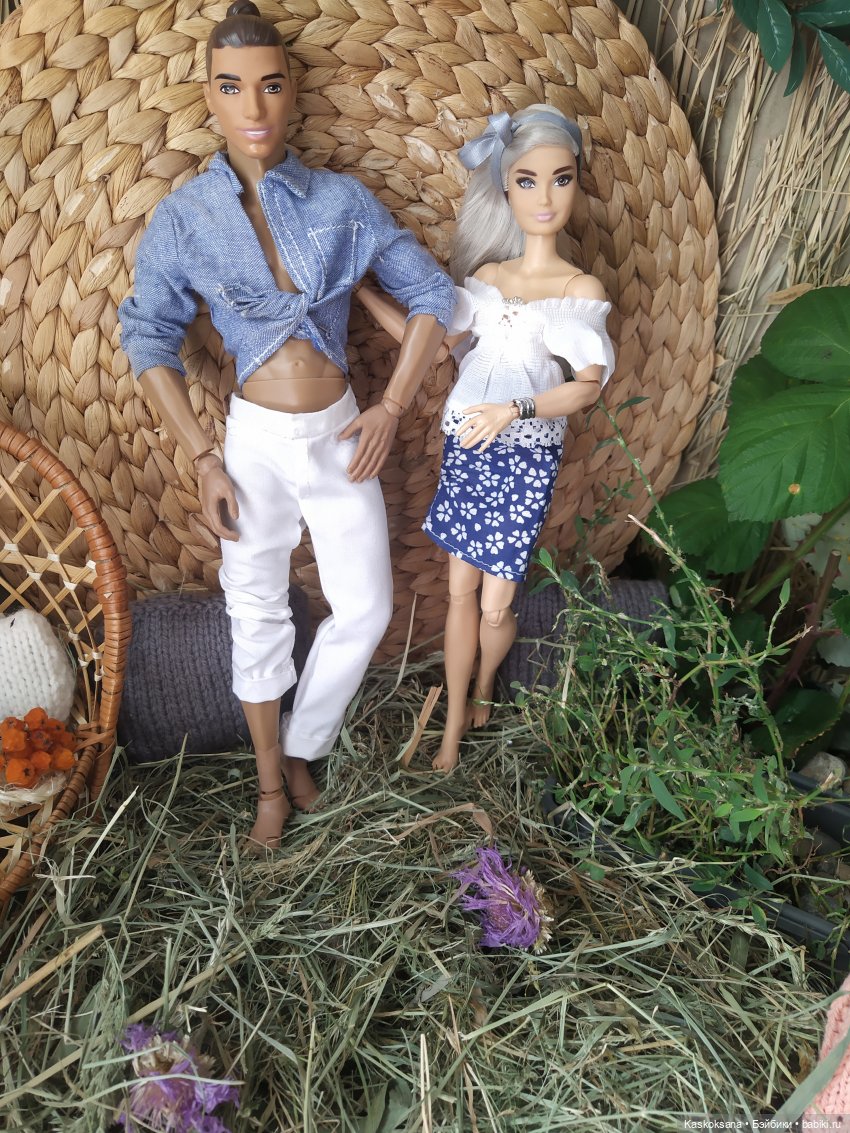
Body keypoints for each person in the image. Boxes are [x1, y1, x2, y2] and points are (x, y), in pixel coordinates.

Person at [119, 1, 454, 847]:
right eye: (232, 87)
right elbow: (147, 334)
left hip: (342, 431)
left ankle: (304, 741)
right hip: (252, 443)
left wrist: (391, 405)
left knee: (367, 606)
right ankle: (271, 781)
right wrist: (203, 456)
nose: (254, 106)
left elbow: (432, 295)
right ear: (209, 96)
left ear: (292, 91)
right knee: (256, 606)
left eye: (269, 85)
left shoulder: (342, 201)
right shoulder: (186, 218)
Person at [357, 106, 615, 771]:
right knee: (458, 594)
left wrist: (515, 409)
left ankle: (484, 687)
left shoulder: (577, 290)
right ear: (504, 186)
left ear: (577, 183)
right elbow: (430, 346)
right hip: (468, 450)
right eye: (528, 180)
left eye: (561, 179)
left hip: (524, 459)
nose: (546, 197)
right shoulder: (488, 280)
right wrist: (363, 292)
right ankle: (449, 728)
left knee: (497, 606)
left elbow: (586, 386)